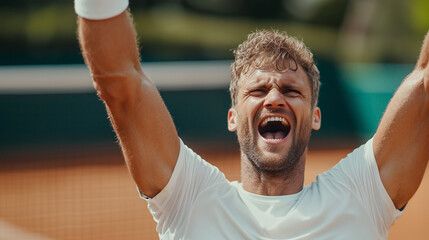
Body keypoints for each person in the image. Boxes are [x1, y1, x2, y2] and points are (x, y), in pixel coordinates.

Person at [75, 0, 429, 239]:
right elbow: (120, 83)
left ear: (316, 117)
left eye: (292, 91)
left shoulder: (361, 196)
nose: (274, 98)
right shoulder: (189, 198)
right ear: (232, 117)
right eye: (258, 91)